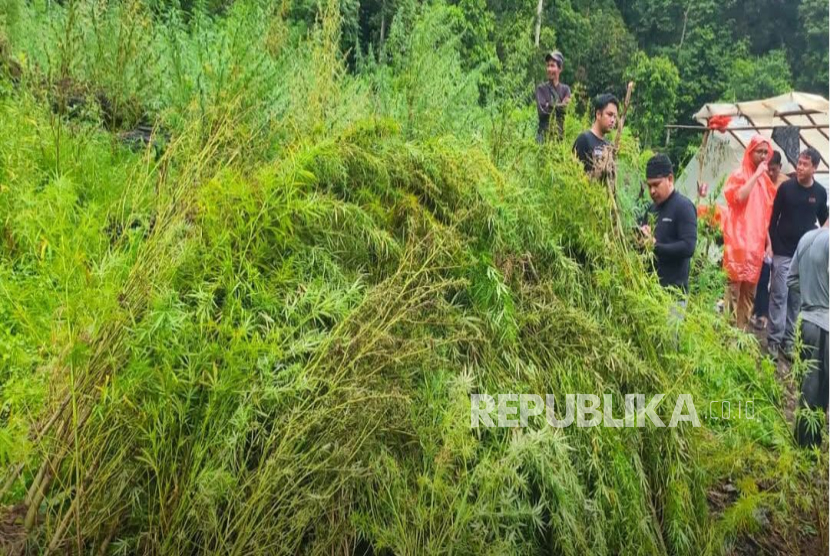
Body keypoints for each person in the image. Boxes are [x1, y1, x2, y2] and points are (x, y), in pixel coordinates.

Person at [767, 147, 829, 359]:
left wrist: (817, 247)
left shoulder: (820, 193)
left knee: (796, 299)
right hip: (783, 250)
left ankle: (789, 341)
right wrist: (774, 244)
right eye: (799, 163)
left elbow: (825, 221)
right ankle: (773, 340)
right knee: (779, 294)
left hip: (804, 255)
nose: (800, 167)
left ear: (815, 168)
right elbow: (773, 218)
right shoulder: (786, 188)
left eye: (805, 164)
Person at [721, 135, 777, 330]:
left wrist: (768, 243)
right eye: (759, 151)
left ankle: (740, 337)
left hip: (754, 248)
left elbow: (763, 217)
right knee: (733, 294)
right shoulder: (740, 175)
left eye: (765, 152)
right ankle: (727, 339)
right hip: (737, 245)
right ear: (750, 152)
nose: (763, 156)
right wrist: (756, 176)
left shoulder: (766, 183)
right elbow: (737, 197)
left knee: (748, 296)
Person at [787, 221, 828, 448]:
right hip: (824, 326)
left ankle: (802, 443)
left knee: (807, 387)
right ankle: (808, 448)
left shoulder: (806, 238)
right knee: (819, 389)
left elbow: (791, 279)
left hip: (805, 322)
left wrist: (810, 297)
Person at [638, 154, 698, 293]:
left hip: (674, 294)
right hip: (650, 291)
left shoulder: (684, 207)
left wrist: (655, 246)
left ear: (670, 179)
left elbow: (688, 247)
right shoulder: (651, 209)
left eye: (656, 184)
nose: (652, 191)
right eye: (649, 186)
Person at [750, 151, 787, 330]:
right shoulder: (761, 182)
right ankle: (761, 313)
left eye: (774, 170)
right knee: (762, 276)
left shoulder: (786, 185)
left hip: (782, 237)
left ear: (780, 168)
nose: (770, 174)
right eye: (768, 170)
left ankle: (776, 319)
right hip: (763, 234)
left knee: (780, 282)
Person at [572, 93, 618, 177]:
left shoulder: (609, 146)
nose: (613, 120)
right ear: (598, 114)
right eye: (610, 115)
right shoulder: (584, 139)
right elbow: (573, 172)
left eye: (615, 117)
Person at [535, 51, 571, 143]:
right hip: (542, 137)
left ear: (560, 68)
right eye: (548, 66)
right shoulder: (541, 89)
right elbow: (542, 112)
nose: (549, 69)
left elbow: (566, 110)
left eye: (552, 66)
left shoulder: (565, 89)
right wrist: (560, 105)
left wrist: (549, 105)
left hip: (559, 137)